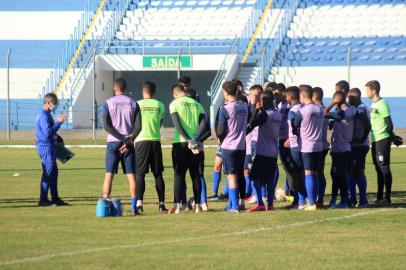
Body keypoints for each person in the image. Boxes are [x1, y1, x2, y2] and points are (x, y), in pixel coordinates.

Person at [100, 78, 142, 215]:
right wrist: (128, 140)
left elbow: (106, 126)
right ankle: (134, 207)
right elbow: (139, 126)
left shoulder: (108, 103)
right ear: (125, 88)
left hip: (113, 142)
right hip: (128, 143)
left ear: (114, 89)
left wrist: (121, 139)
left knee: (109, 174)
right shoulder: (134, 103)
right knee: (131, 176)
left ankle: (105, 205)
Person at [168, 84, 207, 214]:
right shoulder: (197, 104)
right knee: (195, 175)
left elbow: (177, 124)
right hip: (194, 144)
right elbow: (203, 123)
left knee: (179, 175)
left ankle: (177, 206)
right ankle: (197, 206)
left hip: (180, 143)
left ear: (175, 94)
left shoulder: (174, 103)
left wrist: (187, 138)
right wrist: (195, 138)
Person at [134, 81, 167, 213]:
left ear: (143, 91)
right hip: (155, 141)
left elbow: (135, 124)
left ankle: (139, 204)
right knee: (158, 174)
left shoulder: (137, 104)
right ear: (154, 92)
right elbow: (160, 123)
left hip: (141, 141)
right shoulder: (160, 105)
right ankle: (161, 204)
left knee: (140, 174)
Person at [216, 81, 248, 212]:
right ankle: (235, 203)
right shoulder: (244, 106)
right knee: (239, 174)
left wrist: (219, 138)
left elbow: (220, 129)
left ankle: (234, 207)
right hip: (241, 145)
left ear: (226, 92)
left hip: (229, 146)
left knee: (231, 176)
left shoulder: (225, 109)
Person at [247, 91, 282, 211]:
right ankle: (270, 204)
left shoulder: (265, 114)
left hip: (263, 151)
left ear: (263, 102)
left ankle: (261, 203)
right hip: (273, 151)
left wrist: (256, 109)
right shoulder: (278, 114)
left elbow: (252, 124)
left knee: (255, 177)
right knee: (269, 178)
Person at [293, 85, 324, 211]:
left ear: (303, 95)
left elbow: (295, 124)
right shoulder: (320, 109)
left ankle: (311, 203)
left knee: (308, 173)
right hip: (319, 146)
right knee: (316, 174)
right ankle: (315, 200)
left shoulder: (302, 111)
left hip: (307, 146)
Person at [36, 93, 68, 206]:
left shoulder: (47, 114)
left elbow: (51, 132)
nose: (55, 105)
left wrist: (59, 138)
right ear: (48, 103)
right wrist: (59, 122)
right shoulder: (44, 115)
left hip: (50, 146)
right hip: (45, 147)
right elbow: (48, 132)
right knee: (48, 173)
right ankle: (43, 200)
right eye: (54, 103)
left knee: (54, 172)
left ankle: (55, 198)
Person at [324, 90, 354, 209]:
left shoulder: (343, 112)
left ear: (338, 100)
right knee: (335, 175)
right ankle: (334, 200)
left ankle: (344, 201)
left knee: (339, 176)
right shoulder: (348, 110)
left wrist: (332, 103)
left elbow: (325, 113)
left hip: (341, 150)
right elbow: (334, 122)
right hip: (341, 148)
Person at [366, 80, 394, 205]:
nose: (366, 92)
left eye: (367, 90)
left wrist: (391, 137)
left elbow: (389, 123)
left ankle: (387, 198)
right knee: (378, 168)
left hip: (382, 139)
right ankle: (379, 197)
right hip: (375, 140)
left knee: (384, 167)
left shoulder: (382, 104)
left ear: (374, 90)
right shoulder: (373, 105)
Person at [185, 89, 211, 211]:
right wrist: (198, 140)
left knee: (184, 174)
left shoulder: (184, 111)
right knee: (199, 175)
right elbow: (208, 131)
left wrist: (194, 140)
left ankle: (185, 204)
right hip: (198, 146)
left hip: (185, 145)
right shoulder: (202, 110)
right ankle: (203, 203)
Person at [348, 87, 371, 207]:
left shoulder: (361, 109)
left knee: (359, 172)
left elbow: (368, 125)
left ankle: (363, 200)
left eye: (350, 98)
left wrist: (361, 138)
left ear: (355, 97)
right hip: (356, 145)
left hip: (360, 146)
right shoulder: (357, 108)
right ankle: (353, 198)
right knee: (352, 172)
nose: (348, 100)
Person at [285, 86, 306, 209]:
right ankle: (304, 199)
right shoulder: (303, 107)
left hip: (296, 146)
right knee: (303, 173)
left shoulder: (293, 110)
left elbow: (295, 127)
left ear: (291, 97)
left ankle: (301, 201)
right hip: (302, 145)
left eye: (286, 96)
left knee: (297, 174)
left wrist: (292, 139)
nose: (285, 98)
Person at [312, 87, 329, 208]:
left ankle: (317, 199)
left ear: (316, 97)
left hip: (317, 145)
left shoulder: (318, 110)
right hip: (323, 145)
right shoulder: (324, 110)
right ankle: (319, 199)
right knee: (319, 173)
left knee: (315, 173)